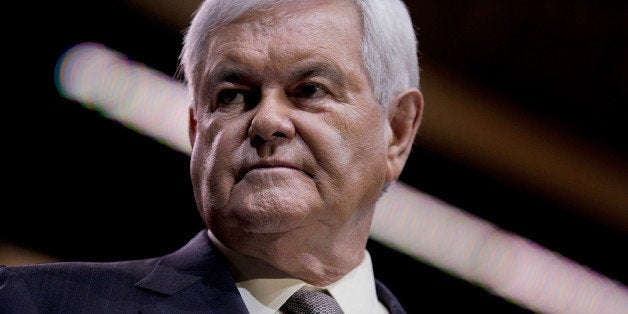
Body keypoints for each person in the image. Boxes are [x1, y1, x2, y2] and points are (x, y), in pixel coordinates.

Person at [0, 0, 423, 312]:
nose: (267, 120)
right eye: (233, 95)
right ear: (195, 130)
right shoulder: (25, 303)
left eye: (309, 90)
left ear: (398, 131)